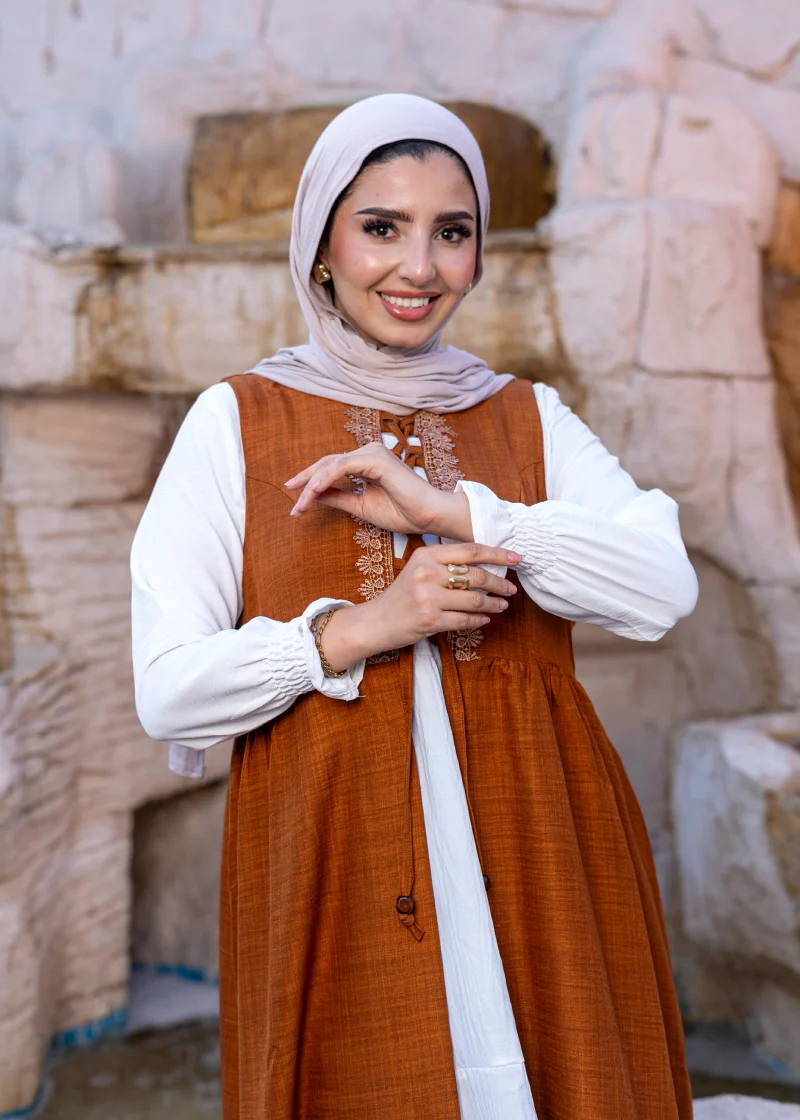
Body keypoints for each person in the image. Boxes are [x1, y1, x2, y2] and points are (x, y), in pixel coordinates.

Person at [131, 94, 698, 1120]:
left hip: (544, 841)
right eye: (382, 227)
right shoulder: (236, 421)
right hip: (333, 852)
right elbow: (168, 691)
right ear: (321, 247)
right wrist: (362, 628)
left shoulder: (525, 414)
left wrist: (460, 511)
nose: (419, 266)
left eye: (452, 231)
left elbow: (662, 586)